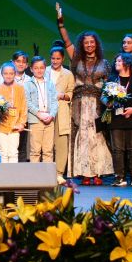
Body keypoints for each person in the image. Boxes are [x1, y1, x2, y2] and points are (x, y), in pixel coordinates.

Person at [55, 3, 113, 185]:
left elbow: (109, 86)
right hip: (79, 104)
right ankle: (85, 173)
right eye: (86, 42)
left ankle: (98, 173)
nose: (89, 44)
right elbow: (67, 42)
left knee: (97, 136)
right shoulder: (76, 58)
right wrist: (61, 24)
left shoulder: (104, 63)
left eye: (92, 42)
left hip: (97, 105)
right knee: (82, 136)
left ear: (96, 44)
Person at [107, 52, 132, 187]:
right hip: (116, 118)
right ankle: (119, 177)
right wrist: (109, 102)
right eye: (116, 61)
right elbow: (105, 98)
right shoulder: (112, 79)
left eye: (119, 61)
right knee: (118, 149)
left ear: (127, 63)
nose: (116, 63)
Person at [45, 46, 74, 184]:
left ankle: (59, 173)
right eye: (53, 58)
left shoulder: (68, 74)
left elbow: (71, 94)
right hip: (45, 111)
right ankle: (46, 172)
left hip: (61, 111)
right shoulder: (44, 71)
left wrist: (63, 95)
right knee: (46, 143)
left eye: (58, 58)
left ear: (62, 58)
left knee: (61, 142)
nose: (55, 61)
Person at [25, 56, 57, 164]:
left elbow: (54, 101)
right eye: (36, 68)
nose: (39, 70)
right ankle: (35, 178)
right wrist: (39, 114)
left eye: (42, 67)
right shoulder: (28, 84)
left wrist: (51, 115)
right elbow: (28, 103)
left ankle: (47, 177)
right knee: (35, 151)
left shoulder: (50, 83)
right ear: (31, 69)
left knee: (48, 151)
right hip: (36, 120)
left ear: (45, 68)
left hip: (49, 120)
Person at [0, 62, 27, 163]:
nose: (8, 76)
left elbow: (24, 107)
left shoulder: (20, 88)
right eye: (6, 73)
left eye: (11, 73)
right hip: (2, 126)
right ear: (2, 74)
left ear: (15, 74)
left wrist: (21, 123)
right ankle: (4, 177)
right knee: (3, 152)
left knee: (13, 152)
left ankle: (13, 177)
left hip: (15, 126)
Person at [12, 50, 31, 161]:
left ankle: (21, 173)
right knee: (10, 146)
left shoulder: (30, 80)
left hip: (24, 118)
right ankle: (10, 173)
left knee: (22, 146)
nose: (20, 64)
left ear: (27, 65)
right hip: (9, 118)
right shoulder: (8, 78)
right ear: (13, 62)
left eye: (23, 62)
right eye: (18, 61)